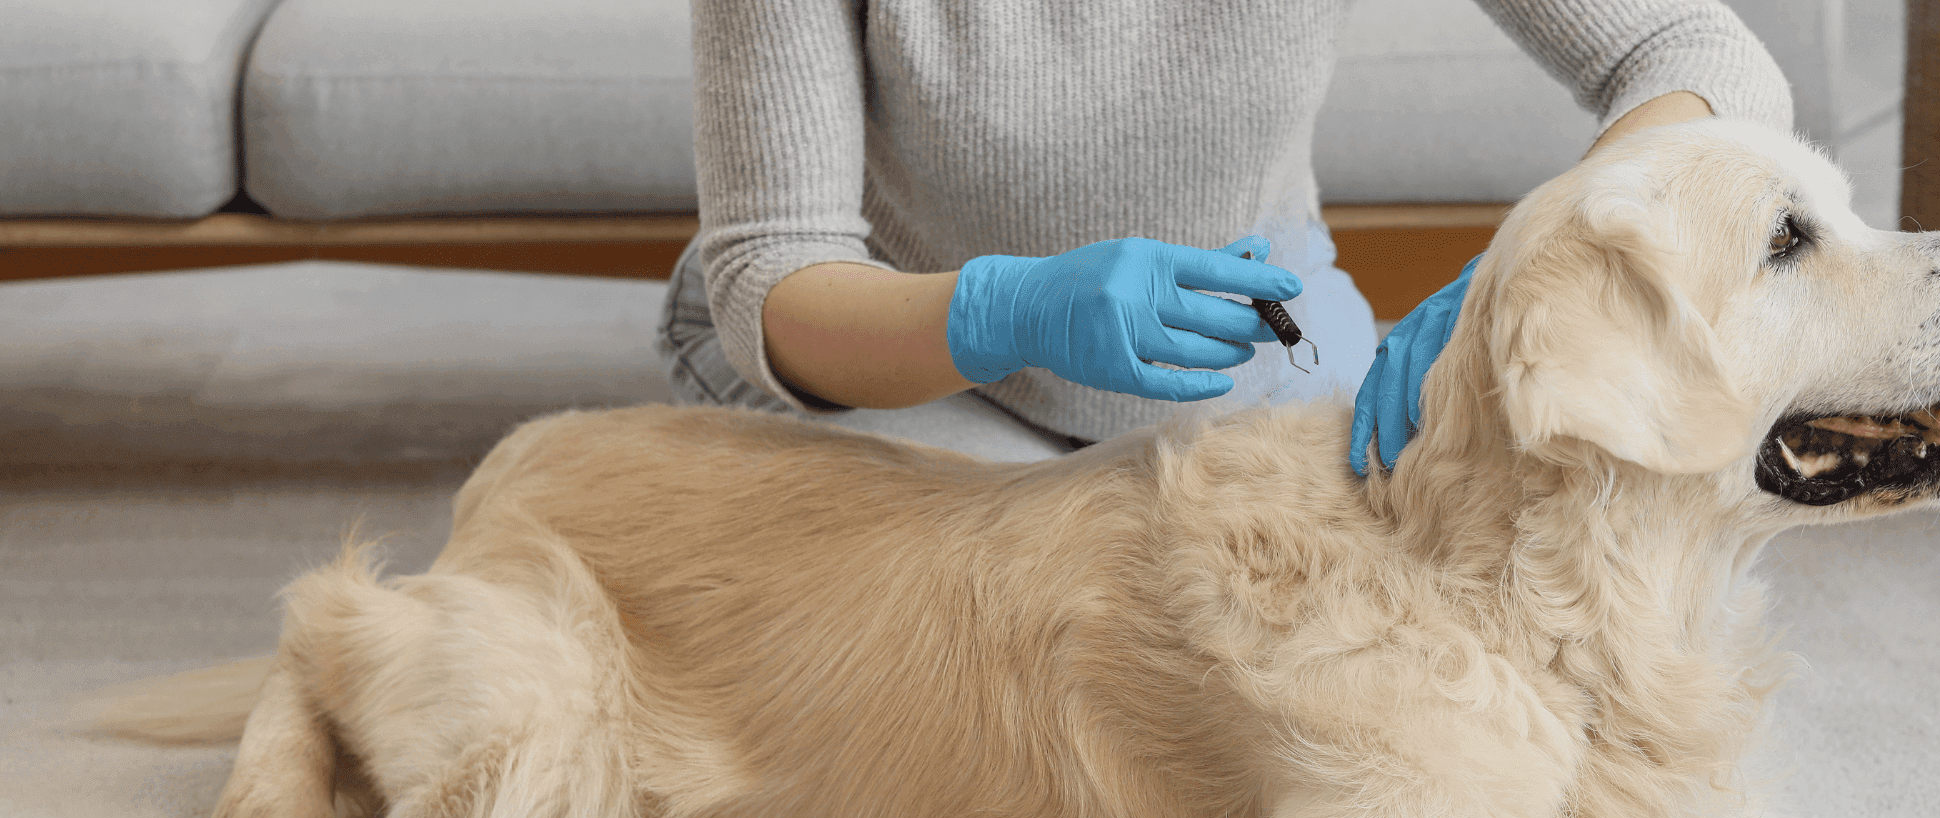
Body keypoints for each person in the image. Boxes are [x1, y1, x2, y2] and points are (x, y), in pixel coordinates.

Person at [656, 0, 1792, 468]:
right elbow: (774, 276)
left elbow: (1699, 55)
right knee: (1021, 648)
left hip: (1261, 336)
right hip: (890, 363)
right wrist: (1001, 311)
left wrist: (1536, 269)